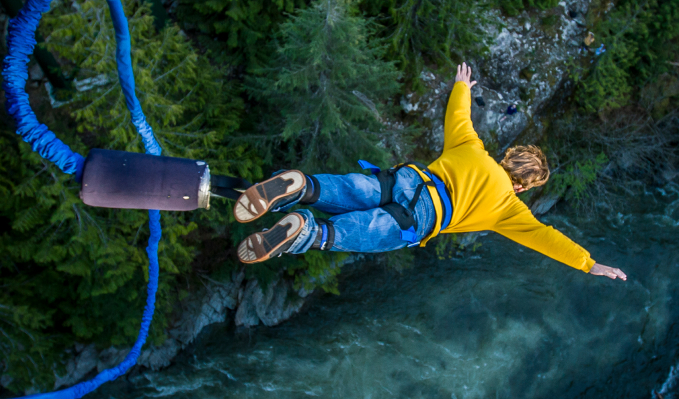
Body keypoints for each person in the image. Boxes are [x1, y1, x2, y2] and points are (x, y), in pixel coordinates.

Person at [233, 63, 627, 281]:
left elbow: (459, 115)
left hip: (408, 180)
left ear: (507, 156)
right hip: (423, 217)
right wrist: (589, 263)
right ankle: (306, 230)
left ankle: (302, 186)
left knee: (354, 189)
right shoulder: (509, 209)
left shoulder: (471, 147)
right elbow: (546, 239)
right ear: (522, 186)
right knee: (355, 233)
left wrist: (462, 86)